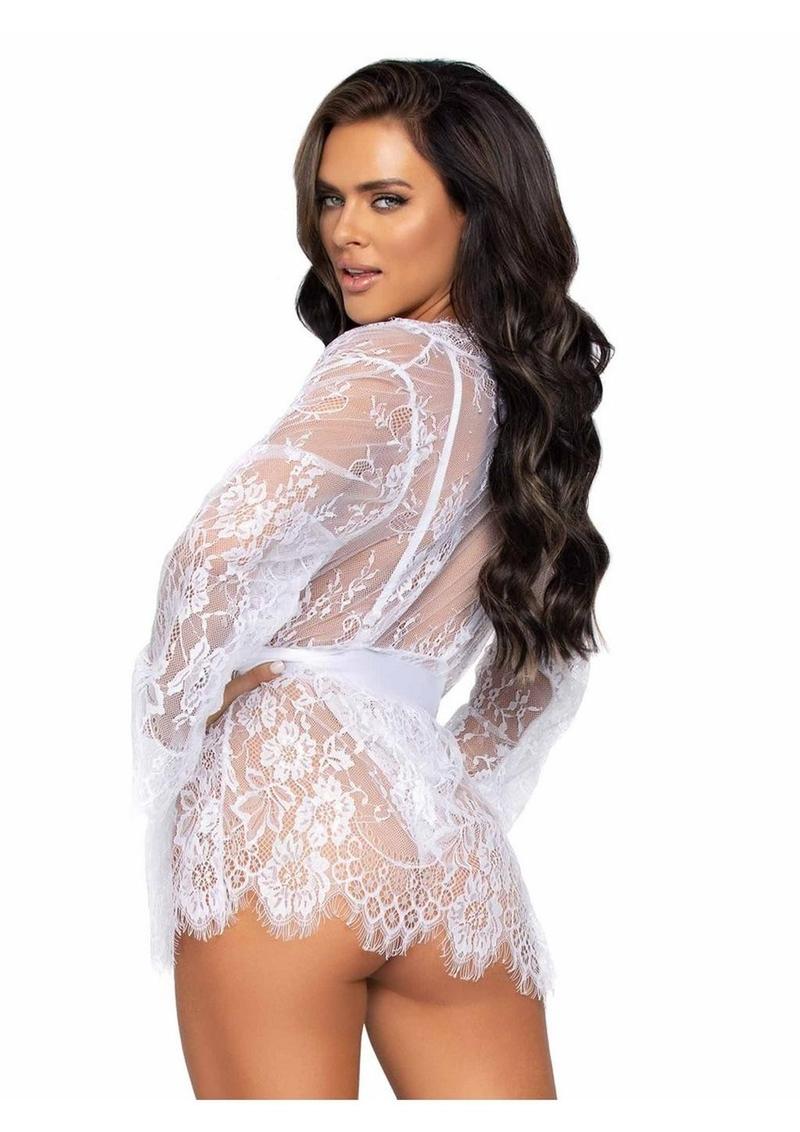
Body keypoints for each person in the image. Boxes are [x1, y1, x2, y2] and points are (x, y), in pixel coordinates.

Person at [131, 58, 612, 1100]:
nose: (344, 232)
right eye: (330, 199)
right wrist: (424, 782)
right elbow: (543, 667)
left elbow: (215, 550)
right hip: (444, 842)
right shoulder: (528, 403)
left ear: (476, 213)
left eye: (386, 200)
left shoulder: (387, 361)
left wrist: (187, 732)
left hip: (287, 812)